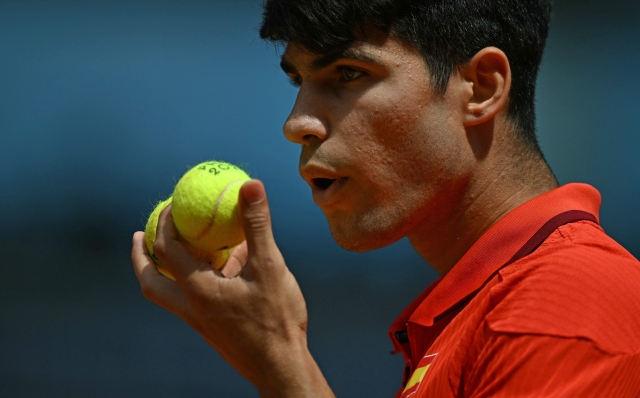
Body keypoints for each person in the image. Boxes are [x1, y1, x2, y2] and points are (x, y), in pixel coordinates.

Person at [131, 0, 640, 396]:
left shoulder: (565, 309)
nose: (296, 123)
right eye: (298, 79)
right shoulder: (487, 309)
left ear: (481, 88)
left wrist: (283, 367)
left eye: (348, 73)